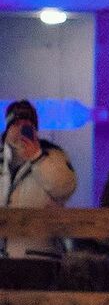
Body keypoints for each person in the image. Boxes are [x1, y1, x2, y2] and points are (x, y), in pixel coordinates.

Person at [0, 101, 77, 262]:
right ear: (7, 128)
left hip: (39, 258)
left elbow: (65, 187)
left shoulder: (53, 155)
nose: (21, 130)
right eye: (16, 124)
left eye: (28, 126)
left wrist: (37, 157)